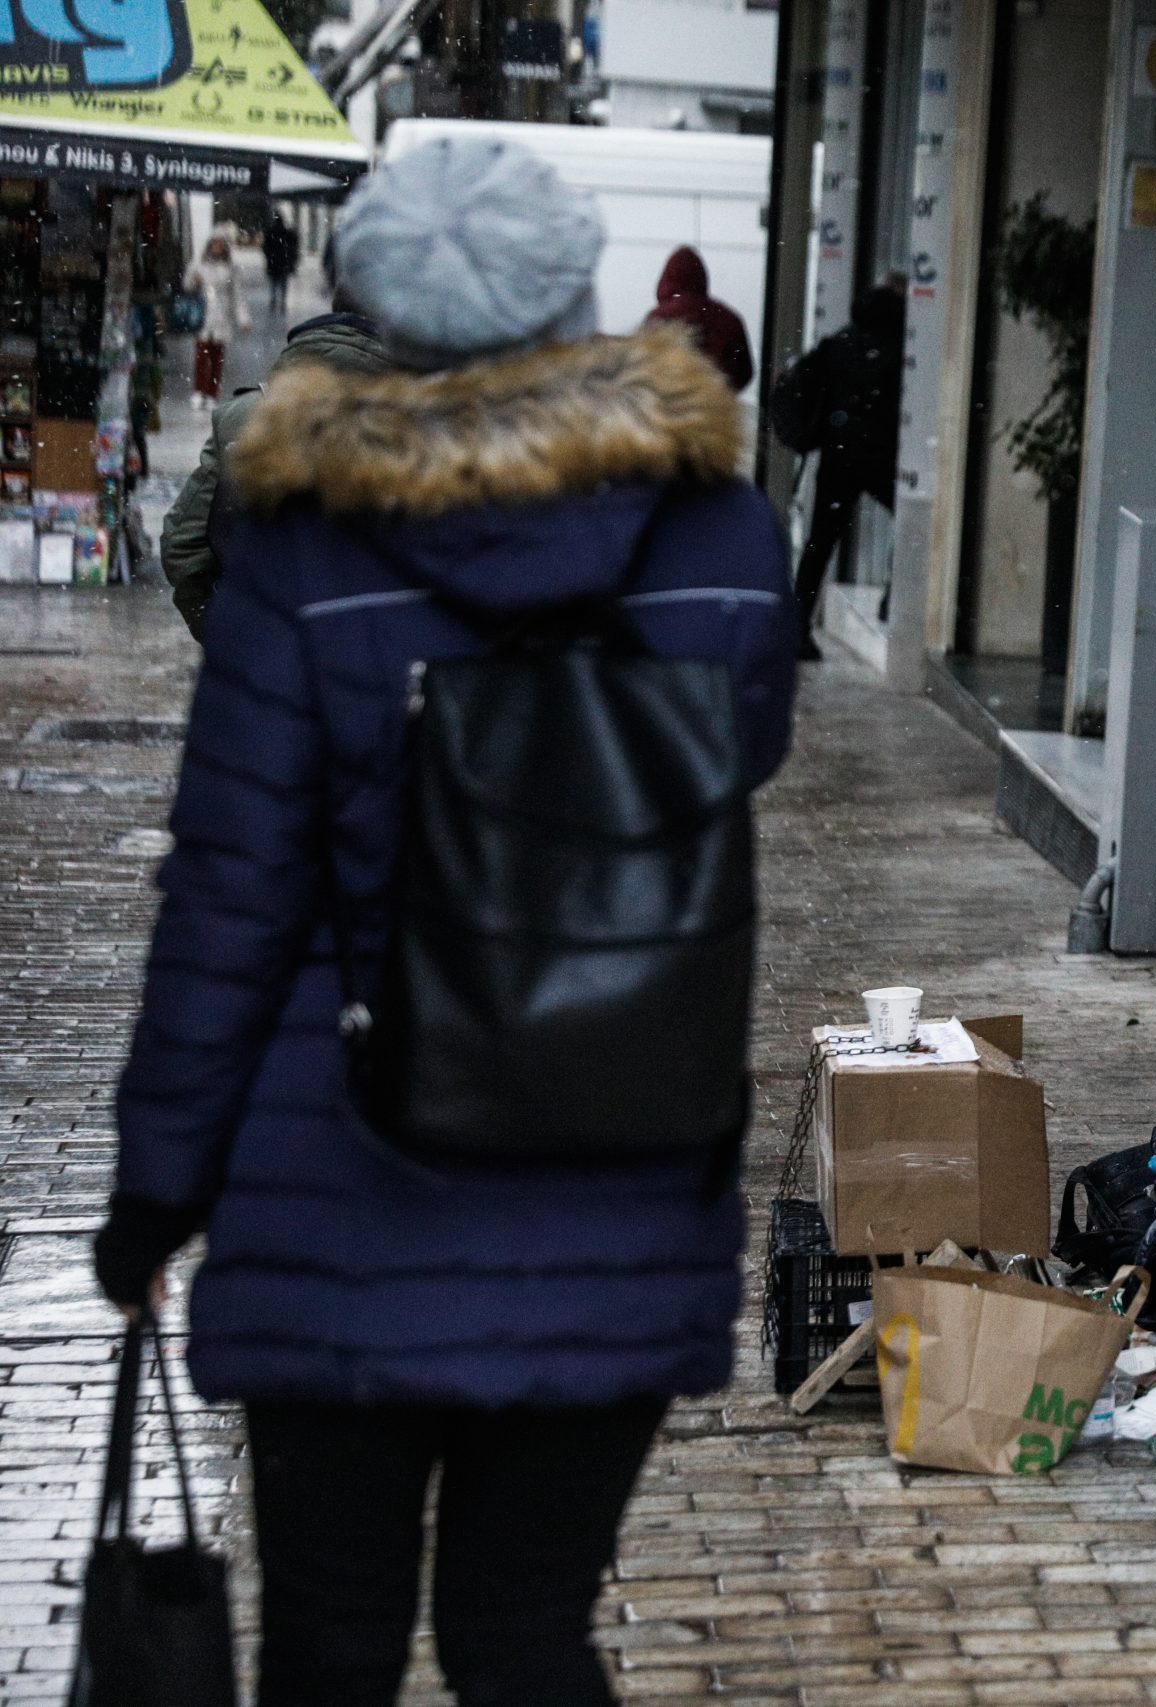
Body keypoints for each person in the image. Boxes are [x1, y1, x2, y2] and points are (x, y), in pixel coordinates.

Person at [93, 138, 797, 1706]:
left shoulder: (307, 551)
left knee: (332, 1651)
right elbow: (739, 751)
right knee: (525, 1637)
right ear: (570, 293)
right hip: (619, 1165)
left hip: (340, 1178)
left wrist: (155, 1193)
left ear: (380, 308)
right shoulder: (720, 535)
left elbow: (232, 893)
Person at [160, 304, 392, 637]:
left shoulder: (245, 417)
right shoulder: (418, 432)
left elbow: (183, 544)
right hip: (376, 660)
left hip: (264, 645)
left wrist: (229, 636)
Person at [768, 277, 903, 655]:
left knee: (820, 542)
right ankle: (895, 600)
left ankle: (796, 628)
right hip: (881, 456)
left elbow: (806, 386)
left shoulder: (841, 342)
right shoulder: (900, 348)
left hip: (838, 454)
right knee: (907, 521)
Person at [642, 245, 752, 392]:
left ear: (666, 278)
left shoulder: (658, 319)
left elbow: (642, 371)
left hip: (669, 409)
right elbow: (744, 373)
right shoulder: (729, 319)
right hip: (716, 408)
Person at [185, 235, 249, 410]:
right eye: (214, 244)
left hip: (222, 316)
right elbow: (187, 284)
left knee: (216, 357)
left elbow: (237, 295)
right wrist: (194, 281)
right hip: (203, 315)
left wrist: (243, 318)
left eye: (220, 244)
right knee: (201, 355)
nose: (217, 247)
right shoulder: (199, 264)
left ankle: (212, 393)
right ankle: (198, 391)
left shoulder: (231, 268)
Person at [262, 214, 301, 314]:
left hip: (274, 264)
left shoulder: (271, 233)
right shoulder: (287, 233)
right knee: (283, 284)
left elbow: (265, 248)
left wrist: (269, 257)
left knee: (274, 284)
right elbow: (293, 248)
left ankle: (274, 301)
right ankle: (282, 302)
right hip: (283, 264)